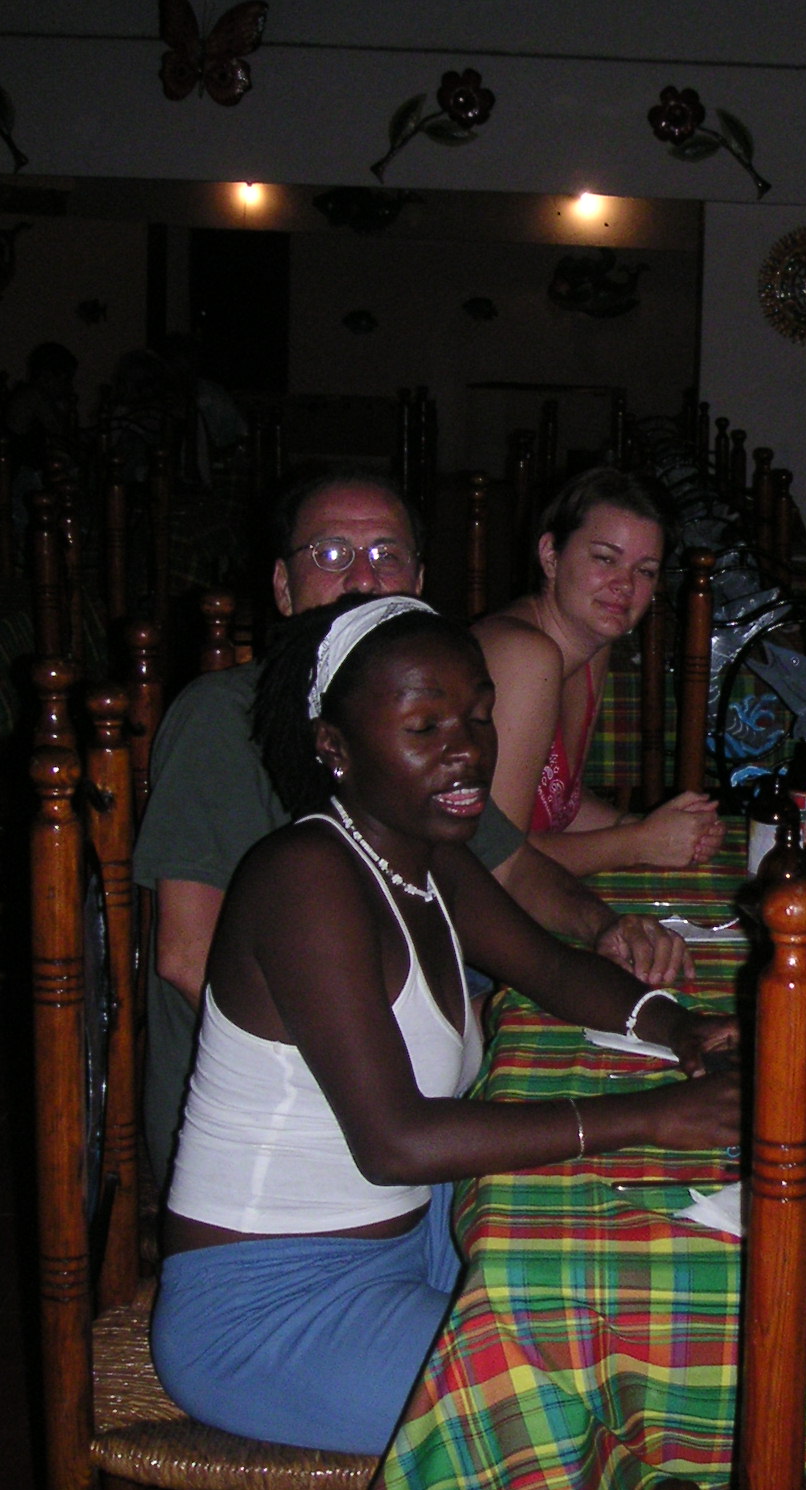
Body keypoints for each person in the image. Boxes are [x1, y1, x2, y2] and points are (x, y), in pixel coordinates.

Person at [151, 595, 742, 1455]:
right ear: (335, 749)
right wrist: (650, 1114)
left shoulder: (427, 857)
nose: (466, 748)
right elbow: (395, 1141)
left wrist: (675, 1027)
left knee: (632, 1284)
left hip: (411, 1235)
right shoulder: (305, 877)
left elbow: (550, 969)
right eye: (424, 727)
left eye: (477, 716)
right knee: (581, 1405)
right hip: (273, 1307)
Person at [133, 469, 689, 1188]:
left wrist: (606, 927)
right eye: (331, 554)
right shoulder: (220, 719)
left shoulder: (416, 733)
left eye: (386, 556)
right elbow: (186, 957)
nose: (363, 579)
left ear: (418, 584)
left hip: (399, 1104)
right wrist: (406, 1065)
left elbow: (510, 864)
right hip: (278, 1135)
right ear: (282, 586)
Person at [473, 466, 722, 876]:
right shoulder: (523, 655)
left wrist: (645, 828)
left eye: (645, 570)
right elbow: (494, 862)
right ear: (551, 556)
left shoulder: (590, 645)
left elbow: (560, 806)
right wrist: (639, 843)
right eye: (605, 559)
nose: (625, 585)